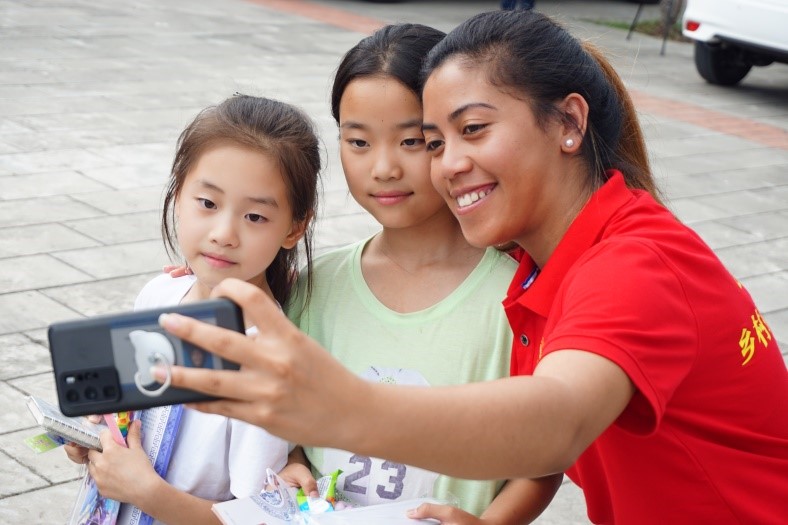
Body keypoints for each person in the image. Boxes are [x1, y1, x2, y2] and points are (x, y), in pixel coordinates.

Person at [155, 10, 788, 525]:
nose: (447, 164)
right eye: (437, 140)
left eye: (473, 129)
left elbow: (556, 421)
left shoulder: (632, 264)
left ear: (569, 122)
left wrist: (343, 409)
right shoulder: (544, 267)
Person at [277, 23, 559, 523]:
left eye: (411, 141)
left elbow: (543, 459)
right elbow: (288, 422)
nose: (382, 168)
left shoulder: (515, 294)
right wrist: (293, 463)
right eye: (358, 142)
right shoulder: (316, 286)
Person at [65, 94, 321, 525]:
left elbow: (256, 517)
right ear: (178, 193)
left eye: (255, 217)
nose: (224, 233)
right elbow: (126, 416)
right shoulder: (159, 294)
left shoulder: (263, 359)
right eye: (207, 203)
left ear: (294, 228)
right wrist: (96, 442)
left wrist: (147, 492)